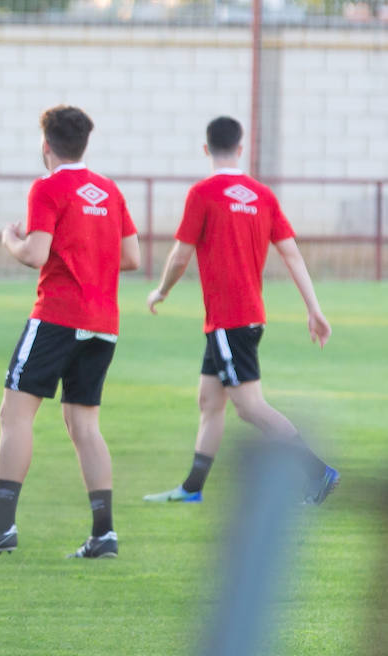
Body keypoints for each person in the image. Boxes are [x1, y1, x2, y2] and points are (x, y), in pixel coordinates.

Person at [0, 105, 140, 560]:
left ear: (46, 145)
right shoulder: (109, 191)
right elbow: (131, 257)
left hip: (57, 317)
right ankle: (104, 534)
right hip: (102, 323)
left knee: (14, 417)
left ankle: (0, 527)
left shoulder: (49, 187)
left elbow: (36, 253)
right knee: (84, 425)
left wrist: (9, 240)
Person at [143, 116, 338, 505]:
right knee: (209, 401)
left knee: (249, 408)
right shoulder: (262, 195)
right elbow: (293, 255)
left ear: (206, 149)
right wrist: (313, 308)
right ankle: (192, 488)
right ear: (241, 148)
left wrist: (161, 290)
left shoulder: (203, 193)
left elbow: (181, 255)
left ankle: (319, 474)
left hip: (229, 321)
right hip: (245, 318)